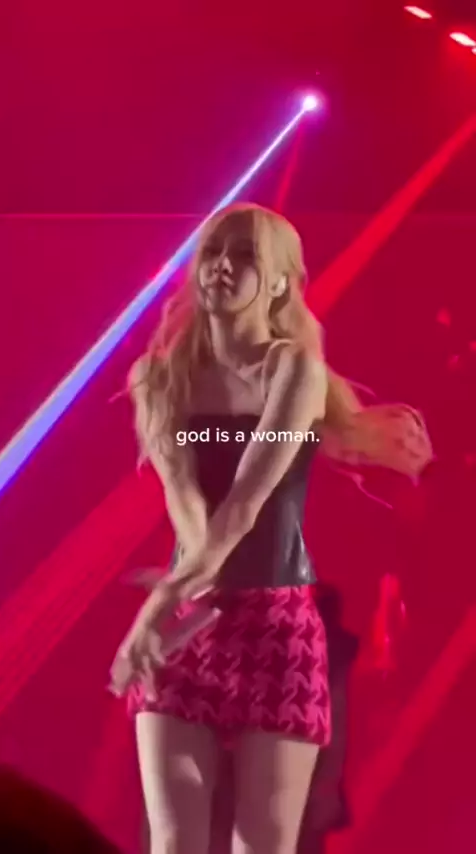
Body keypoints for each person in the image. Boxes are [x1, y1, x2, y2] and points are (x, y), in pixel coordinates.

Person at [109, 203, 432, 854]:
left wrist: (156, 607)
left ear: (282, 281)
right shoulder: (160, 377)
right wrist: (184, 594)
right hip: (190, 621)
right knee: (172, 841)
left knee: (260, 845)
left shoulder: (294, 370)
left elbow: (245, 505)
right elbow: (185, 500)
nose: (222, 266)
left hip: (277, 629)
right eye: (213, 251)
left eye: (245, 255)